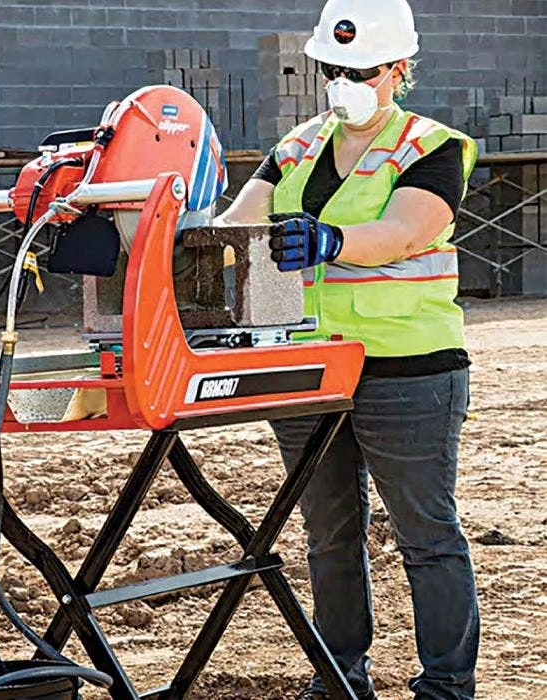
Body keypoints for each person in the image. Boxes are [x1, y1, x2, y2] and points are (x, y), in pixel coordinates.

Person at [214, 0, 480, 698]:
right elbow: (233, 229)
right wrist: (157, 234)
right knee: (328, 535)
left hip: (408, 369)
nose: (343, 84)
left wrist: (330, 240)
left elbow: (403, 232)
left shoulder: (431, 146)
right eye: (332, 70)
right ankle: (339, 677)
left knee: (426, 535)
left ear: (398, 69)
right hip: (310, 369)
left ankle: (446, 686)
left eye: (359, 71)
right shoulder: (298, 146)